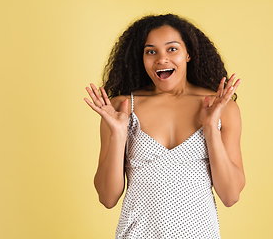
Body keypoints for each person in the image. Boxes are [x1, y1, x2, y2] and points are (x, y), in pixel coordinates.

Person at [84, 13, 245, 238]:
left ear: (188, 53)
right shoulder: (121, 108)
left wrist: (210, 128)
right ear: (141, 58)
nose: (161, 59)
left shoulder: (222, 108)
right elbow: (107, 197)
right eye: (151, 51)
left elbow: (230, 196)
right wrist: (118, 134)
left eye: (172, 49)